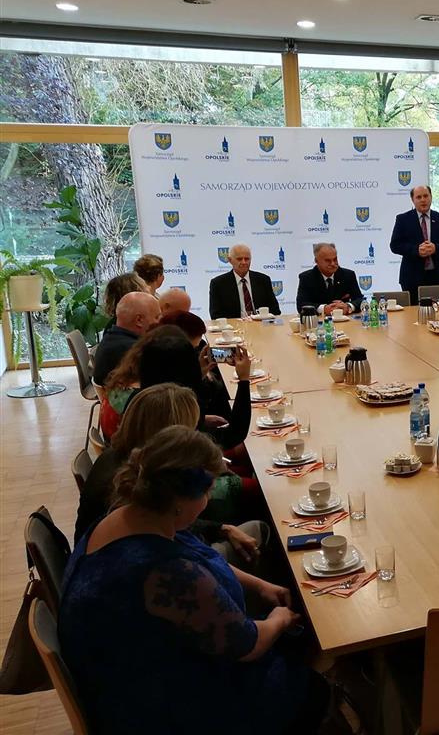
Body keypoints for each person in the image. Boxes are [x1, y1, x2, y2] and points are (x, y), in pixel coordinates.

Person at [60, 425, 328, 734]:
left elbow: (201, 556)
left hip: (131, 671)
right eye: (207, 491)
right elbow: (247, 645)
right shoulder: (164, 572)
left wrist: (259, 584)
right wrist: (279, 620)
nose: (209, 499)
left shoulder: (131, 515)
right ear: (180, 500)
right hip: (158, 709)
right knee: (311, 684)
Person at [74, 383, 270, 576]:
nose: (193, 435)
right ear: (170, 435)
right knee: (261, 525)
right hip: (143, 574)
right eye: (191, 429)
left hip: (106, 569)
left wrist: (221, 528)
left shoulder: (119, 459)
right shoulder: (131, 486)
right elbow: (179, 541)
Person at [390, 185, 439, 298]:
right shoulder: (403, 219)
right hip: (411, 278)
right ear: (413, 200)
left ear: (431, 197)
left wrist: (436, 248)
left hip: (438, 277)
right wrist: (416, 250)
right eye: (419, 197)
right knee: (412, 309)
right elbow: (395, 245)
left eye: (426, 196)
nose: (423, 200)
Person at [92, 291, 161, 387]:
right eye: (157, 317)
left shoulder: (111, 339)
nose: (160, 322)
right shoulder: (134, 352)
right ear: (139, 320)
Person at [209, 243, 281, 319]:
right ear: (230, 260)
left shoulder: (263, 280)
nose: (244, 262)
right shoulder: (218, 284)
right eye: (239, 259)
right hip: (234, 326)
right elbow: (215, 315)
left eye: (247, 259)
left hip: (260, 324)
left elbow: (275, 311)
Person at [295, 242, 362, 315]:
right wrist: (324, 309)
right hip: (319, 320)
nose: (333, 263)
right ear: (316, 261)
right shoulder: (306, 278)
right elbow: (301, 305)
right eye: (328, 260)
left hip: (344, 319)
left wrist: (348, 306)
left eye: (335, 259)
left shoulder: (348, 275)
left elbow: (360, 300)